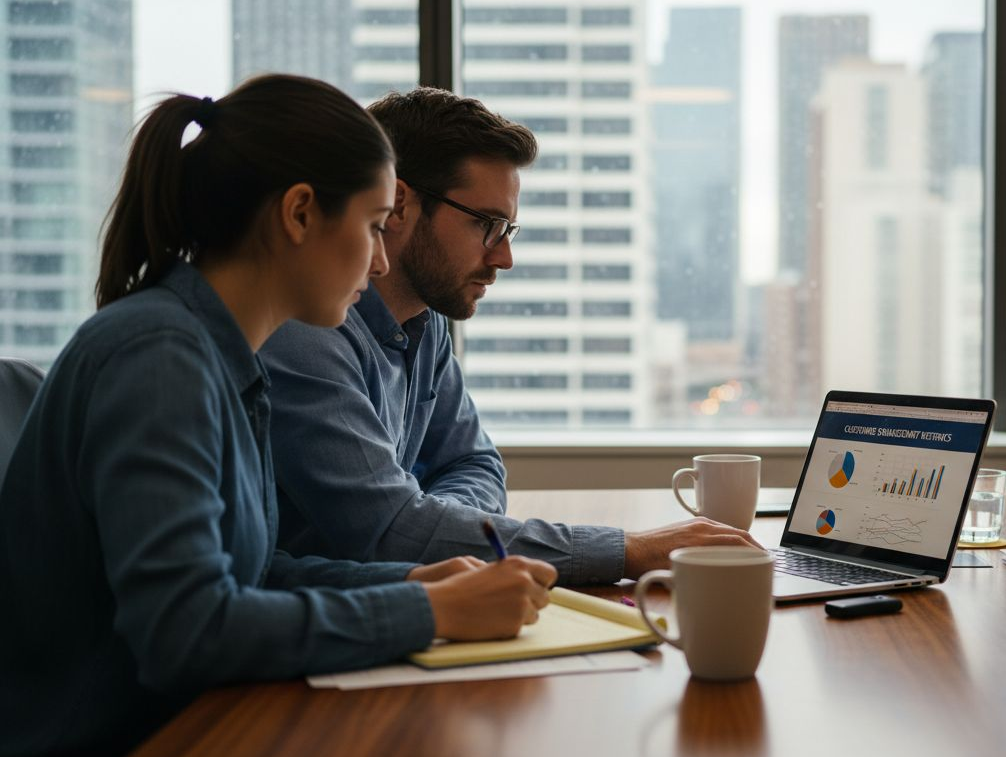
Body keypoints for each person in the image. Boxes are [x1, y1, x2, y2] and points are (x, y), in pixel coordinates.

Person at [0, 75, 556, 757]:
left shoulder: (220, 354)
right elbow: (186, 632)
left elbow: (255, 572)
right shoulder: (160, 360)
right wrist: (432, 612)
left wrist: (414, 583)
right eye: (374, 226)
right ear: (298, 215)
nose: (383, 259)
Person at [259, 87, 759, 583]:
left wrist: (440, 530)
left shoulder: (424, 323)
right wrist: (628, 550)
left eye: (508, 231)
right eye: (488, 225)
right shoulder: (306, 333)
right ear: (399, 205)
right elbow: (391, 529)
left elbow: (474, 463)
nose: (504, 257)